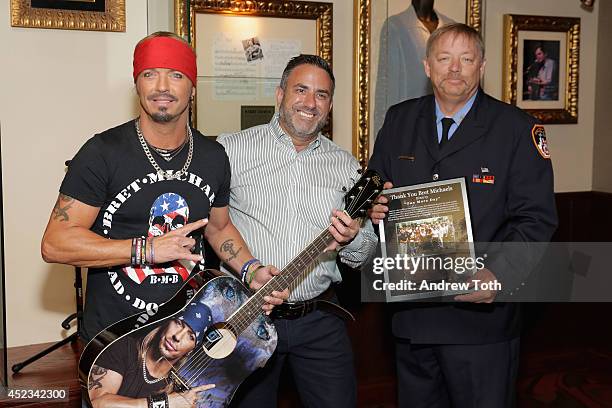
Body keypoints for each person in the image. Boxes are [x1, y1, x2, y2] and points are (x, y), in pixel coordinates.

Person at [40, 31, 287, 404]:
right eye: (149, 74)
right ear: (136, 83)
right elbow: (55, 242)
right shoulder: (103, 152)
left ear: (192, 86)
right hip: (117, 341)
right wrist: (146, 250)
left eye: (175, 75)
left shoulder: (212, 156)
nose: (161, 87)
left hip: (190, 346)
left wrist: (251, 270)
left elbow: (218, 227)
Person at [369, 23, 557, 407]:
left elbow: (537, 220)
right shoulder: (399, 120)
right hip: (412, 316)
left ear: (482, 66)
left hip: (480, 322)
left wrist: (499, 275)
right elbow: (377, 191)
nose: (454, 69)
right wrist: (374, 209)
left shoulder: (516, 129)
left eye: (466, 59)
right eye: (444, 58)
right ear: (427, 66)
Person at [218, 54, 378, 408]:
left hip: (319, 319)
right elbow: (212, 227)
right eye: (301, 90)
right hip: (248, 317)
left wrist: (353, 237)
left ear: (330, 105)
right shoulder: (231, 151)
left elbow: (365, 252)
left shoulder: (347, 166)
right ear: (279, 95)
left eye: (321, 95)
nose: (310, 102)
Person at [88, 301, 214, 407]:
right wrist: (163, 403)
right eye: (178, 323)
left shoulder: (179, 391)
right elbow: (97, 403)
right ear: (168, 322)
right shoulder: (124, 347)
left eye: (190, 336)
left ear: (191, 350)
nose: (177, 336)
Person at [374, 0, 454, 134]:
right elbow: (386, 86)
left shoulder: (451, 27)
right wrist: (383, 135)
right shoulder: (396, 26)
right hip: (410, 126)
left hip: (449, 123)